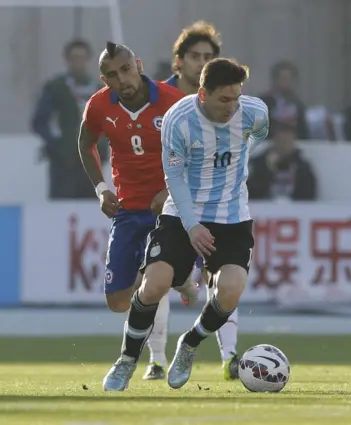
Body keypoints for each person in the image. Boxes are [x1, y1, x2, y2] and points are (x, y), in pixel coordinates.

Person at [102, 58, 269, 392]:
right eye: (225, 99)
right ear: (203, 94)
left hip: (232, 216)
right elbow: (173, 178)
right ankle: (127, 360)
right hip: (182, 214)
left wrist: (234, 164)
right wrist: (193, 226)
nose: (232, 106)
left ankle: (189, 344)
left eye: (237, 97)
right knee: (154, 283)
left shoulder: (254, 113)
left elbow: (258, 136)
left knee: (232, 289)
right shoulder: (178, 119)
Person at [78, 42, 199, 384]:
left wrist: (172, 189)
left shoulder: (172, 101)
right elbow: (85, 144)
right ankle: (181, 278)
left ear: (138, 64)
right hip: (129, 210)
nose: (123, 79)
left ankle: (133, 359)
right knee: (117, 301)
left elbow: (199, 150)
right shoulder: (100, 105)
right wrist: (102, 189)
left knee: (152, 278)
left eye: (126, 69)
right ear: (104, 79)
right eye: (113, 75)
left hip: (171, 209)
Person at [164, 21, 242, 381]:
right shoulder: (163, 101)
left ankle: (229, 354)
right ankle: (150, 357)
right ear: (179, 62)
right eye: (195, 56)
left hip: (218, 204)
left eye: (208, 57)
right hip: (168, 200)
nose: (201, 62)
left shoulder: (230, 103)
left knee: (224, 279)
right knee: (153, 282)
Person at [32, 39, 103, 199]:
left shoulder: (98, 90)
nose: (78, 62)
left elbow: (108, 123)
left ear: (88, 60)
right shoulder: (56, 87)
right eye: (74, 58)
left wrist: (102, 149)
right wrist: (56, 145)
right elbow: (39, 121)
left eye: (82, 58)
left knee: (89, 210)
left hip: (91, 165)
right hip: (63, 165)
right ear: (67, 60)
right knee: (61, 209)